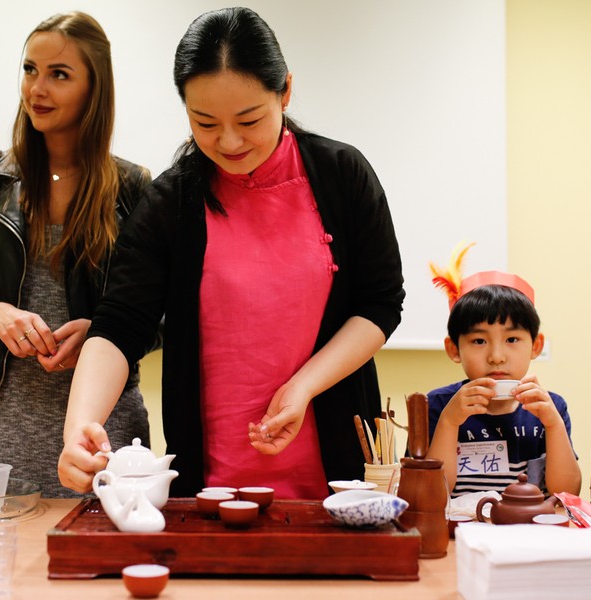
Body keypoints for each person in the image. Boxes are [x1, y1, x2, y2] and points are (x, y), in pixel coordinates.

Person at [59, 7, 405, 499]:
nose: (228, 141)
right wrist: (80, 426)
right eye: (204, 122)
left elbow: (379, 304)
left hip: (337, 476)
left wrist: (304, 386)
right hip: (214, 482)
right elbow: (118, 325)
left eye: (249, 120)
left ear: (284, 91)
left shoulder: (341, 175)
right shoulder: (171, 202)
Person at [0, 12, 152, 498]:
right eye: (30, 70)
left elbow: (162, 315)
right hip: (4, 419)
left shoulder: (132, 186)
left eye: (59, 75)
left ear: (95, 88)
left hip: (103, 426)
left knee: (99, 562)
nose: (37, 89)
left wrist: (102, 333)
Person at [425, 249, 581, 497]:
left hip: (529, 531)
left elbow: (567, 494)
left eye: (511, 339)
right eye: (479, 341)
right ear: (454, 349)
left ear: (536, 346)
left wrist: (553, 424)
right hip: (460, 531)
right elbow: (431, 494)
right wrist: (449, 421)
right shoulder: (437, 405)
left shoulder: (551, 407)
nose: (496, 356)